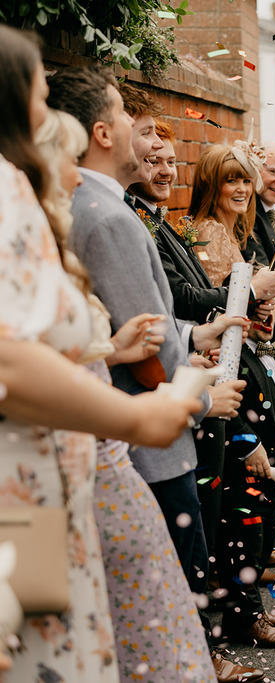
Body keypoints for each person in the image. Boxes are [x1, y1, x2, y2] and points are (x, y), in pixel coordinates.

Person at [0, 26, 200, 680]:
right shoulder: (9, 194)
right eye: (38, 92)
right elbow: (10, 359)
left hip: (54, 494)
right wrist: (143, 417)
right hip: (26, 497)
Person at [34, 106, 220, 682]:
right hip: (111, 447)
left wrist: (110, 348)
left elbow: (138, 331)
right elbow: (151, 359)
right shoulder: (103, 216)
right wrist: (195, 398)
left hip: (106, 441)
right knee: (148, 610)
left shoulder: (71, 221)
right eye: (60, 162)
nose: (75, 180)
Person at [46, 66, 244, 607]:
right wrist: (202, 396)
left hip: (132, 416)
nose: (141, 130)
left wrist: (194, 337)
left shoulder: (97, 205)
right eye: (125, 114)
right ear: (105, 133)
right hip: (149, 437)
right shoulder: (106, 215)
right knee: (173, 588)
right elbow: (148, 345)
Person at [219, 298, 275, 648]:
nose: (267, 313)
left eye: (273, 305)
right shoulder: (232, 356)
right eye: (259, 307)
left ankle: (254, 611)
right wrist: (246, 445)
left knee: (265, 538)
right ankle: (245, 620)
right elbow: (230, 410)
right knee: (244, 542)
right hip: (244, 468)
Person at [190, 143, 263, 287]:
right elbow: (216, 295)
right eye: (231, 181)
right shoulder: (211, 230)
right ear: (211, 186)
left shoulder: (227, 229)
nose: (242, 189)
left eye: (247, 181)